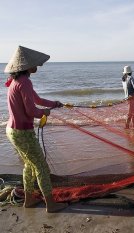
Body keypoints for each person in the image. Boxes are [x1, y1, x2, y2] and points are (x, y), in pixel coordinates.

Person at [4, 46, 68, 213]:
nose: (38, 66)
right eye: (35, 64)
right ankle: (50, 204)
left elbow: (37, 99)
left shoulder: (17, 81)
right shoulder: (24, 82)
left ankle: (29, 200)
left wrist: (54, 104)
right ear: (26, 66)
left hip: (13, 131)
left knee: (29, 166)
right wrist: (43, 113)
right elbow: (31, 111)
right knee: (41, 166)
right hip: (22, 132)